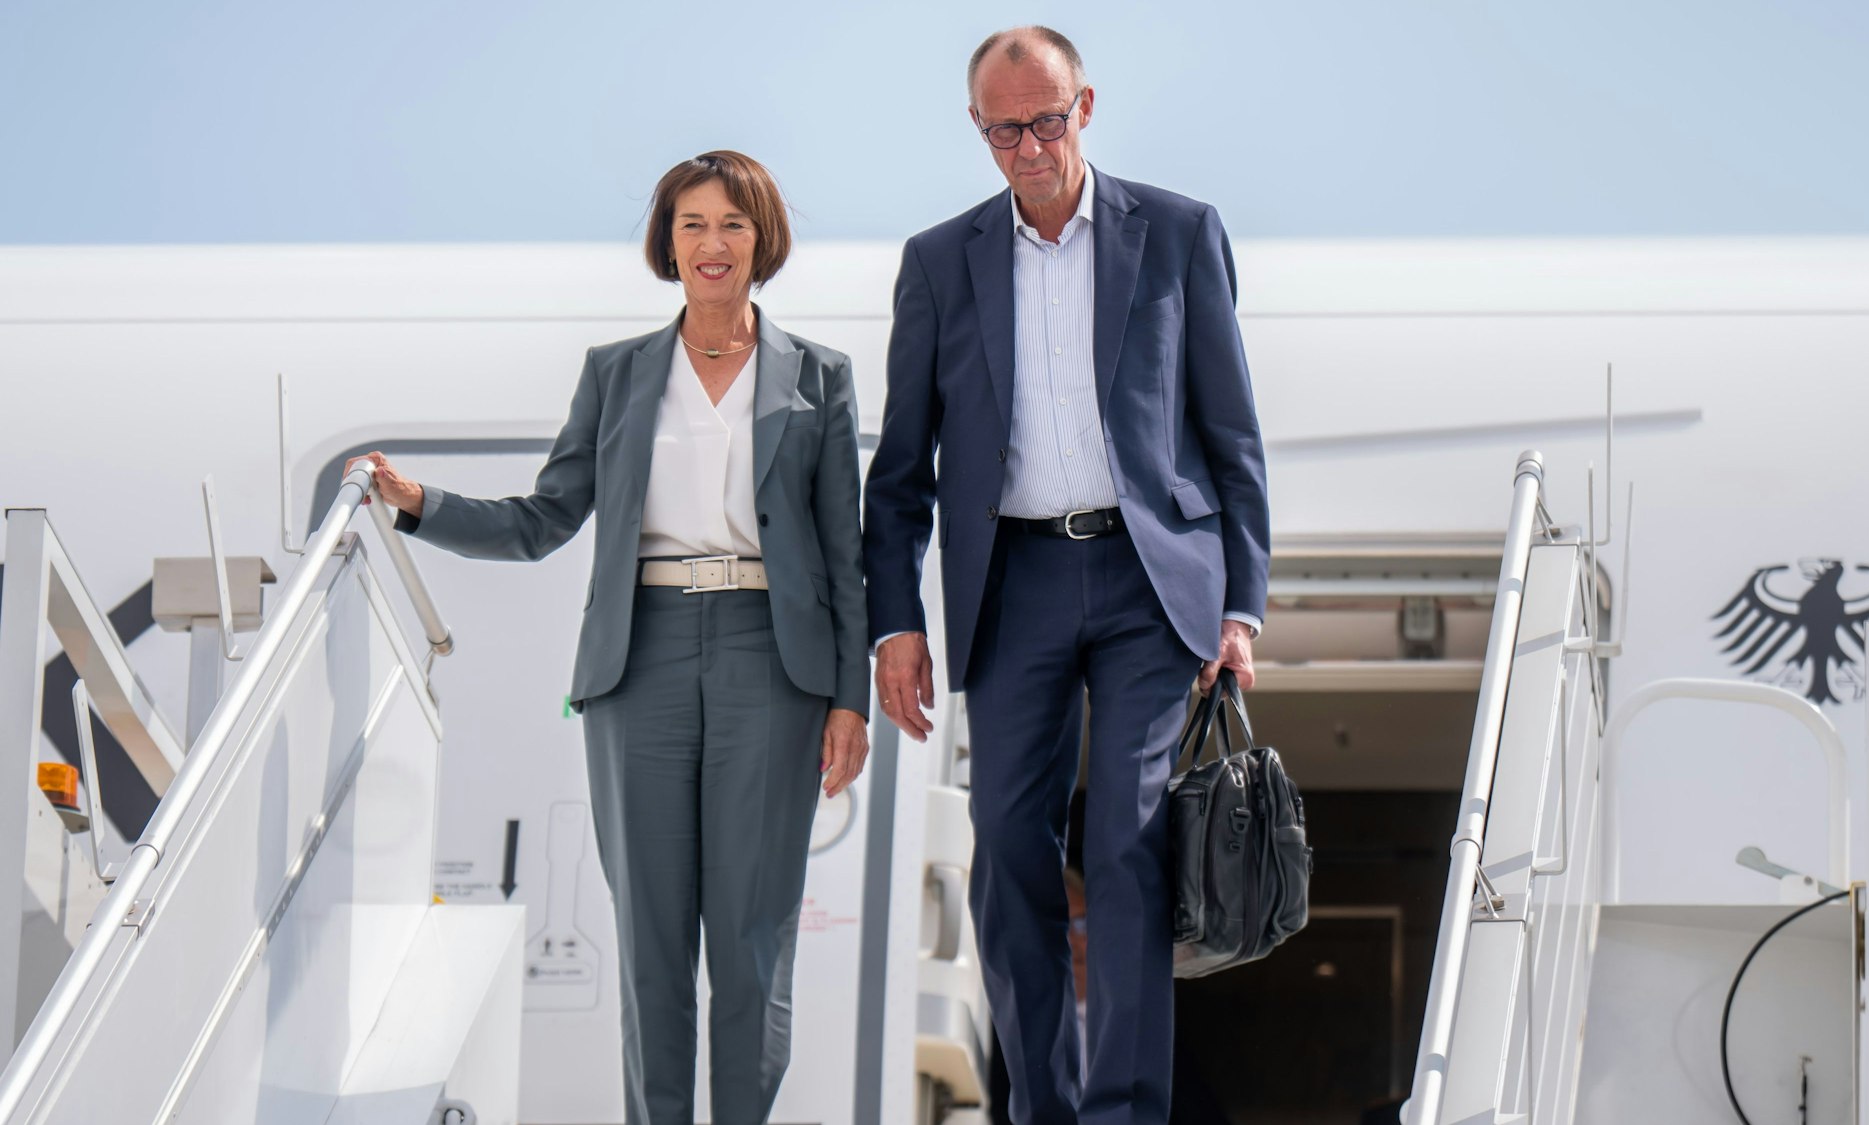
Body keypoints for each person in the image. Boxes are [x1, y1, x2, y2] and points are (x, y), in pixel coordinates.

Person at [349, 150, 869, 1125]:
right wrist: (421, 506)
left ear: (762, 239)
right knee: (652, 945)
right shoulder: (618, 374)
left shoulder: (821, 380)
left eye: (730, 224)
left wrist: (850, 700)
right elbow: (544, 519)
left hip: (774, 662)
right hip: (642, 662)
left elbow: (845, 556)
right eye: (690, 224)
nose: (710, 244)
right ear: (665, 242)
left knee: (753, 945)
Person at [863, 27, 1270, 1125]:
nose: (1031, 145)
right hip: (1012, 581)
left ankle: (1127, 1111)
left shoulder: (1177, 234)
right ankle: (1039, 1107)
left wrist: (1240, 604)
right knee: (1006, 851)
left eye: (1048, 119)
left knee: (1125, 839)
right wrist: (894, 620)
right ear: (977, 129)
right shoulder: (940, 262)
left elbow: (1229, 434)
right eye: (1007, 128)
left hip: (1149, 582)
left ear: (1084, 106)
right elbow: (901, 468)